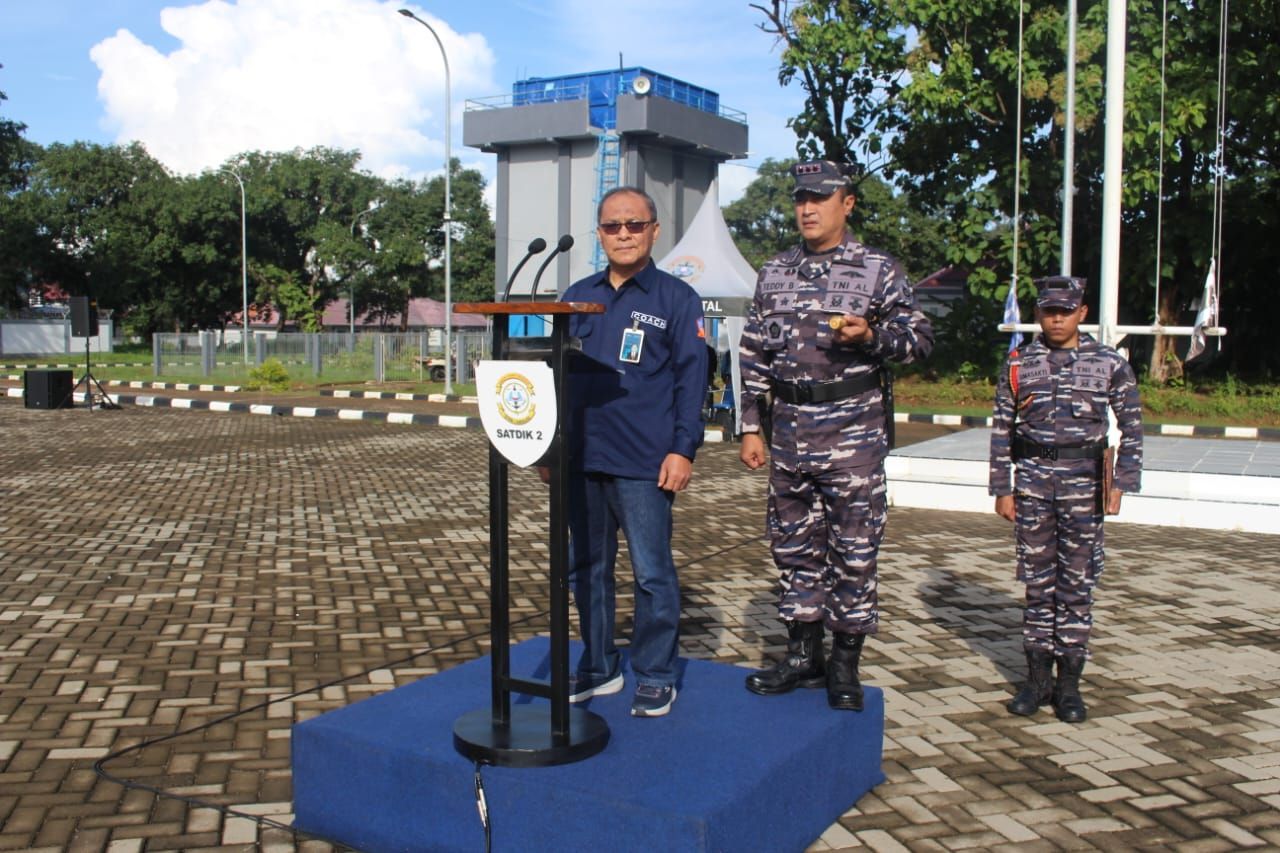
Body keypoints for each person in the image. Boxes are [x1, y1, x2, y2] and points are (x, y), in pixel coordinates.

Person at [738, 160, 933, 711]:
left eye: (820, 198)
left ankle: (844, 663)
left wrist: (872, 334)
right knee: (793, 547)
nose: (807, 208)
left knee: (853, 550)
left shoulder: (878, 269)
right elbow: (753, 352)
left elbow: (917, 341)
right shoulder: (774, 271)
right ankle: (803, 655)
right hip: (790, 435)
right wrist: (752, 426)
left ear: (847, 203)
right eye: (801, 197)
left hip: (852, 435)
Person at [560, 186, 707, 718]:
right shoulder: (576, 295)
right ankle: (599, 667)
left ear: (654, 231)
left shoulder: (675, 299)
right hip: (581, 459)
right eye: (612, 226)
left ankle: (654, 671)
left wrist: (683, 449)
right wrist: (549, 452)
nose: (623, 234)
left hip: (646, 462)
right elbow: (552, 376)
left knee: (651, 572)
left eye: (634, 225)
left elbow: (693, 381)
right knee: (587, 569)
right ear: (599, 233)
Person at [990, 276, 1143, 723]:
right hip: (1034, 490)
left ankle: (1070, 686)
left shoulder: (1108, 363)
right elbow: (1001, 429)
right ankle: (1037, 682)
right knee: (1038, 587)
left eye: (1065, 310)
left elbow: (1132, 428)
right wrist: (1002, 487)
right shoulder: (1019, 362)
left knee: (1076, 588)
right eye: (1048, 311)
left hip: (1083, 491)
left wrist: (1121, 485)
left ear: (1081, 311)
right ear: (1039, 313)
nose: (1056, 318)